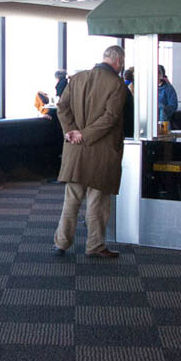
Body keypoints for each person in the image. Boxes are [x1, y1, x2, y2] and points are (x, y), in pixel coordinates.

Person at [54, 44, 127, 259]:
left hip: (75, 150)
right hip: (101, 152)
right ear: (119, 62)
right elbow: (110, 118)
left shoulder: (76, 79)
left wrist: (71, 132)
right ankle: (95, 245)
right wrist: (85, 134)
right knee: (98, 201)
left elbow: (62, 107)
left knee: (72, 198)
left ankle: (61, 242)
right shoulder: (117, 85)